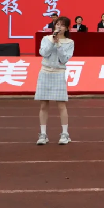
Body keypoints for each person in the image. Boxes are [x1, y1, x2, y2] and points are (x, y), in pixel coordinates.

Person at [35, 16, 75, 146]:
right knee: (43, 105)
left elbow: (64, 59)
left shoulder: (69, 42)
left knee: (61, 105)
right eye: (57, 24)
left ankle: (65, 133)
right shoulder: (46, 38)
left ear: (66, 28)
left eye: (62, 25)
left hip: (58, 73)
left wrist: (58, 44)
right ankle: (43, 134)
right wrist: (53, 41)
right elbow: (43, 53)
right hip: (45, 72)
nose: (59, 27)